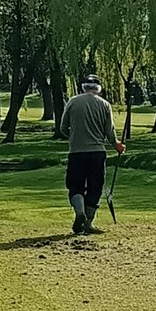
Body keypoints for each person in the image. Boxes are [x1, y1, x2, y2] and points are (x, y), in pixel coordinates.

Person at [60, 74, 125, 234]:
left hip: (76, 152)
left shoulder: (73, 102)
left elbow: (63, 127)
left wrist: (74, 137)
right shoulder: (104, 104)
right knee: (95, 187)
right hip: (97, 153)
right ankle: (88, 223)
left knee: (75, 185)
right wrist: (117, 145)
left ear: (84, 87)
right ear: (98, 88)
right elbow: (109, 131)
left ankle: (79, 212)